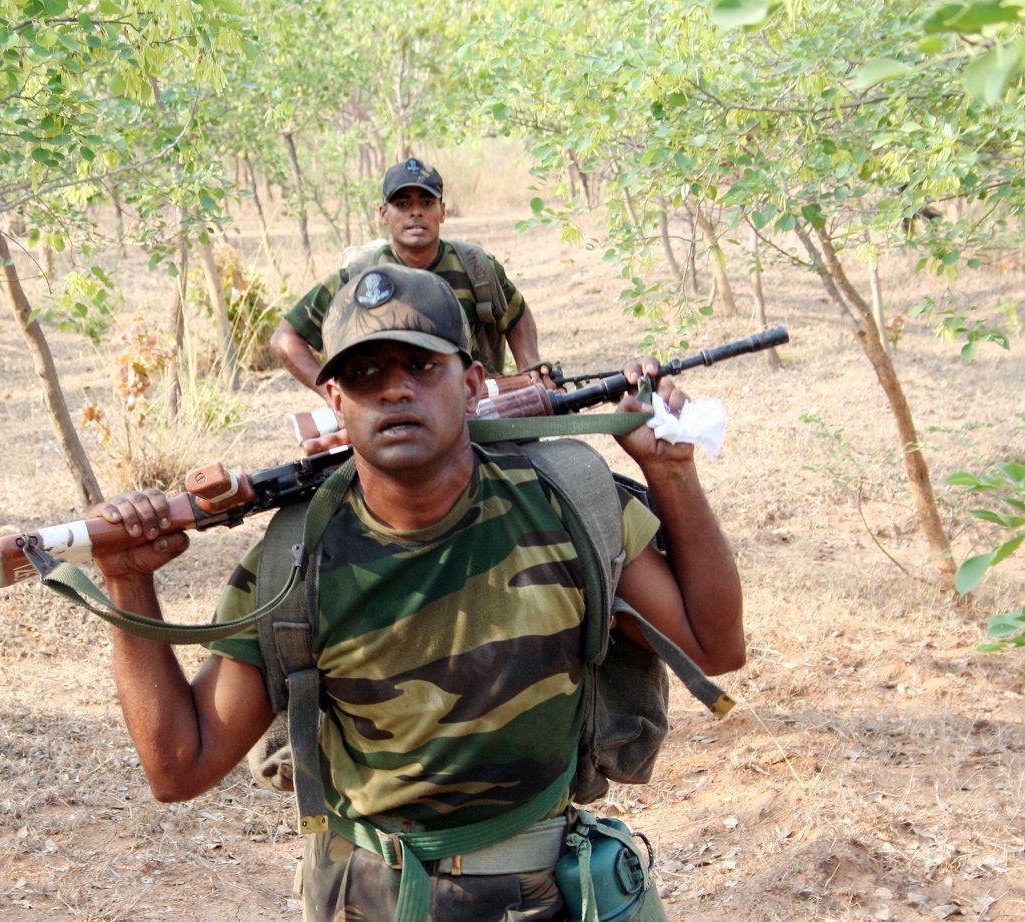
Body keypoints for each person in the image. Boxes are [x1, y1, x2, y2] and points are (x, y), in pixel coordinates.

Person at [89, 265, 745, 922]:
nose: (394, 388)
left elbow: (714, 647)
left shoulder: (569, 500)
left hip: (540, 890)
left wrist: (669, 471)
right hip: (370, 898)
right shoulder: (295, 563)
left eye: (419, 364)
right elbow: (179, 768)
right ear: (335, 401)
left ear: (470, 384)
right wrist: (127, 581)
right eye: (365, 373)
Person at [270, 158, 549, 396]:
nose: (416, 212)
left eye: (426, 202)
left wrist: (530, 369)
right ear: (383, 214)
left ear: (442, 211)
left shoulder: (475, 267)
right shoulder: (359, 276)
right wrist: (334, 395)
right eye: (403, 204)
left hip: (475, 405)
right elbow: (285, 338)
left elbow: (516, 314)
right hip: (391, 409)